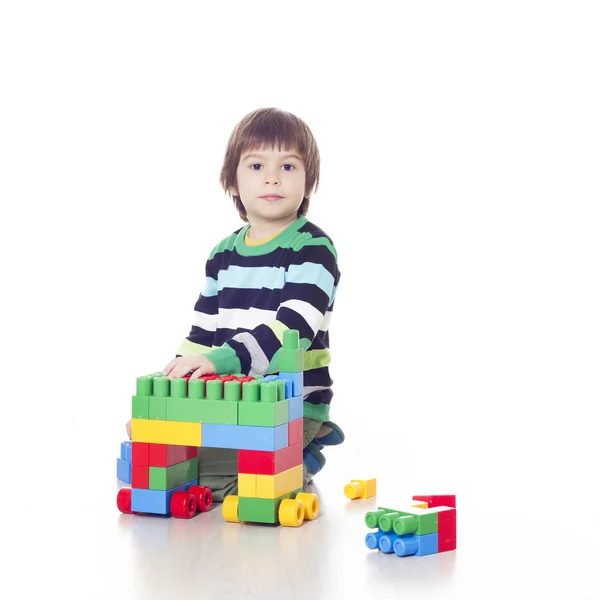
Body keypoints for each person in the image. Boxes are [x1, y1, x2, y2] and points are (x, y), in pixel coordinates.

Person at [126, 107, 344, 501]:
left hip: (290, 402)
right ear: (232, 180)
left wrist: (220, 361)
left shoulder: (312, 250)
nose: (272, 177)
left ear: (309, 182)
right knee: (170, 465)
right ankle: (261, 459)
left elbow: (292, 329)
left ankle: (304, 453)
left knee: (227, 484)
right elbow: (202, 334)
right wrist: (168, 395)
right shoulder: (222, 254)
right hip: (233, 397)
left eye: (289, 166)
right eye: (257, 164)